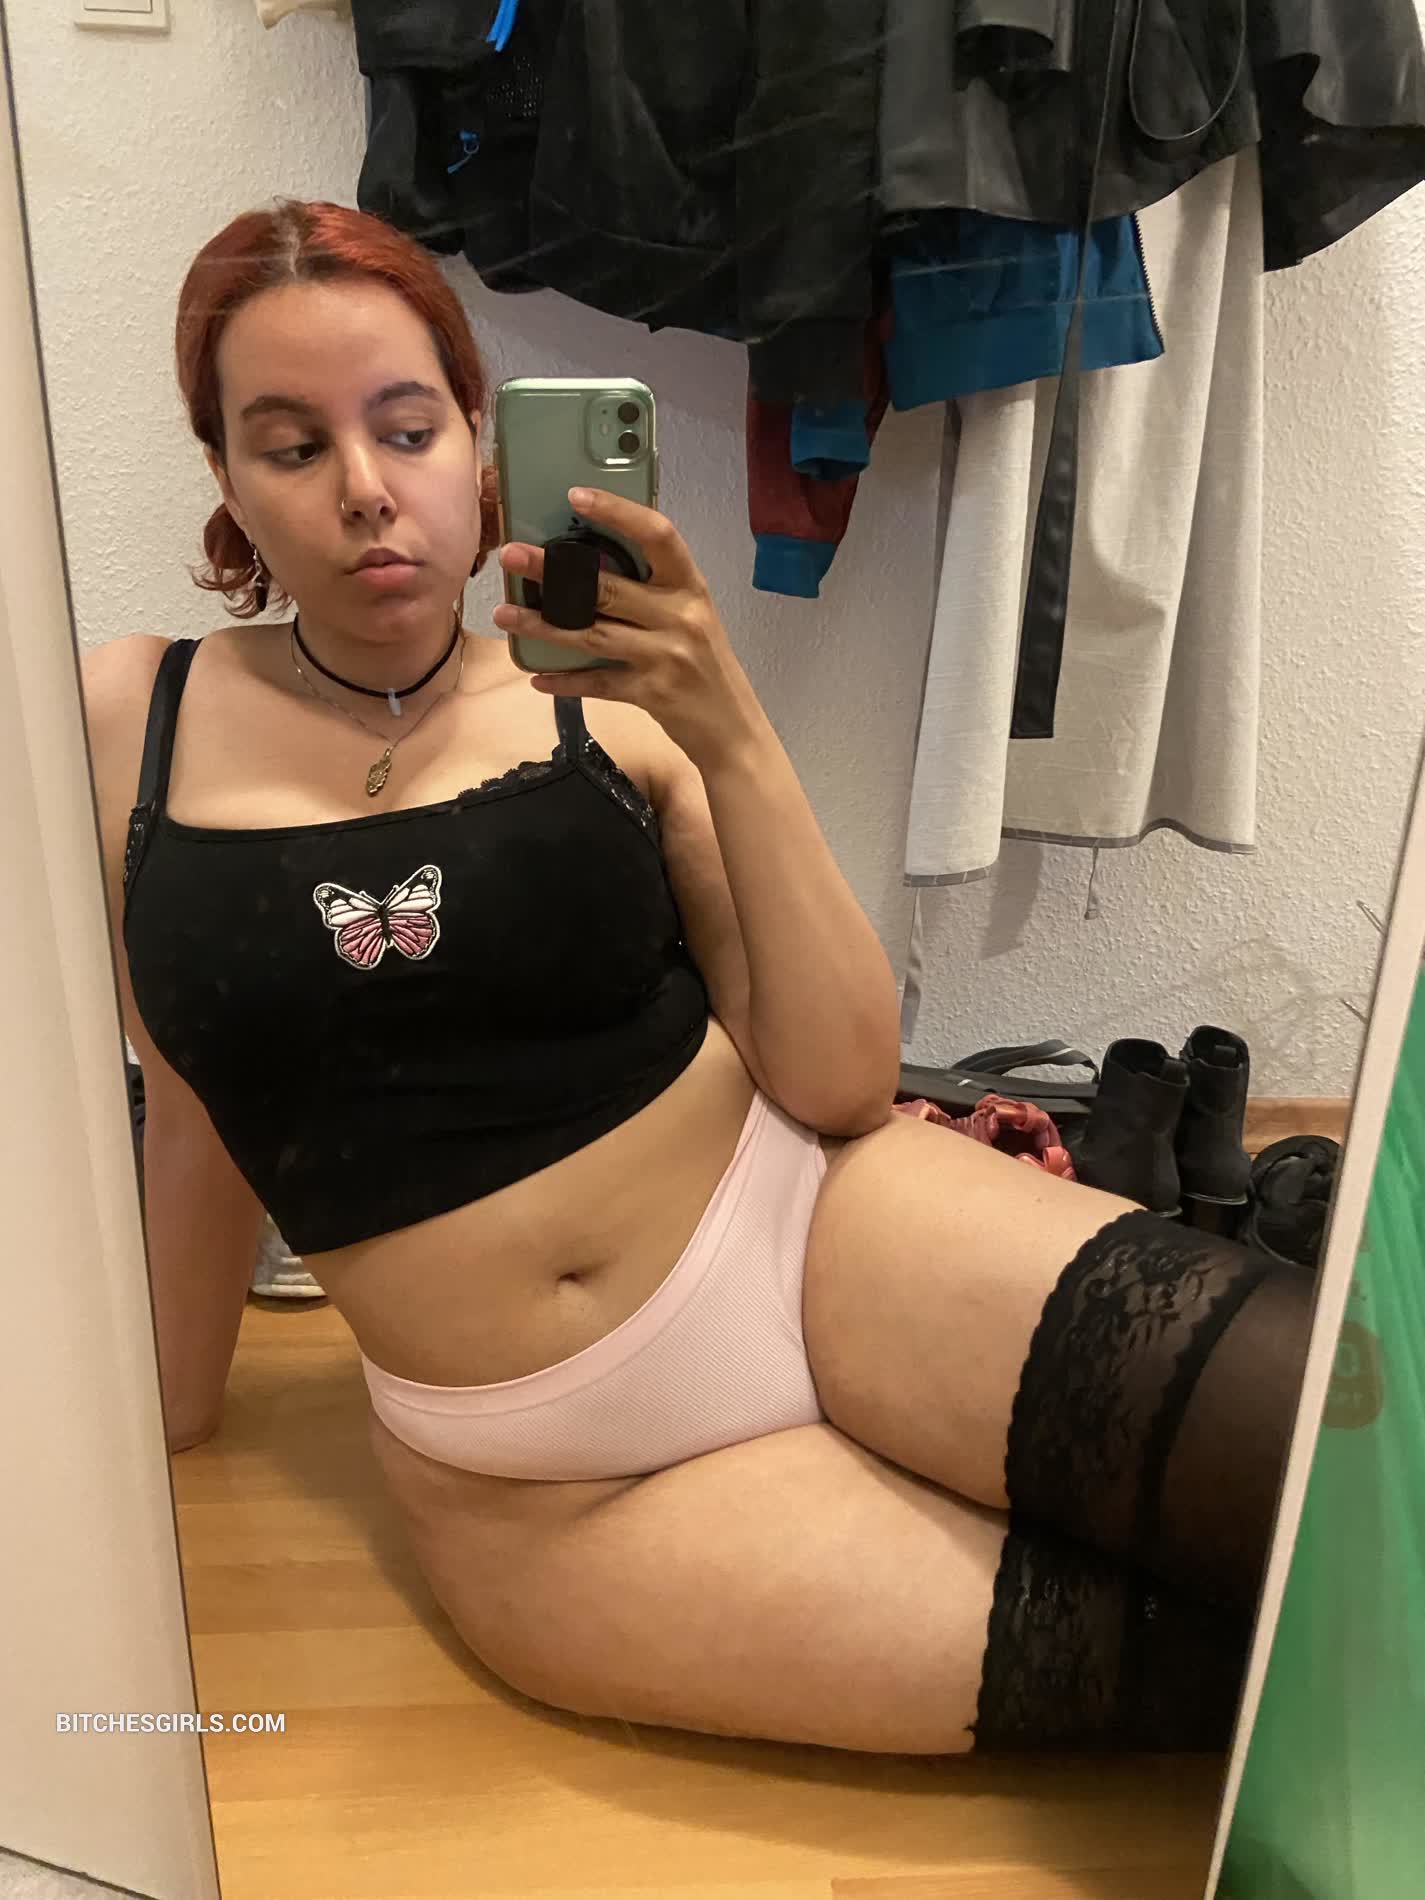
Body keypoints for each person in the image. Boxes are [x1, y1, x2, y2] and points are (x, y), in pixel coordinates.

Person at [82, 198, 1315, 1758]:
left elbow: (839, 1084)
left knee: (1351, 1495)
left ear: (476, 435)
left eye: (406, 428)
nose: (366, 491)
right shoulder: (128, 718)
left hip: (822, 1236)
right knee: (1252, 1685)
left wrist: (723, 715)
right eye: (290, 445)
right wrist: (168, 1417)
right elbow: (193, 1107)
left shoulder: (616, 689)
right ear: (224, 475)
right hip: (546, 1486)